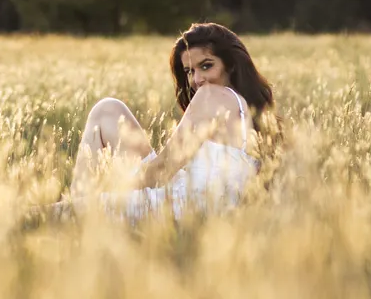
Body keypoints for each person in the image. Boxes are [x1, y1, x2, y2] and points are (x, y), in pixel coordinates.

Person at [70, 22, 278, 220]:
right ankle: (79, 208)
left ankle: (80, 208)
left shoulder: (213, 96)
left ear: (230, 66)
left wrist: (107, 194)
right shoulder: (250, 116)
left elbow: (159, 172)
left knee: (53, 214)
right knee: (108, 110)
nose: (196, 80)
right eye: (189, 71)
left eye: (206, 66)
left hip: (171, 210)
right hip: (181, 203)